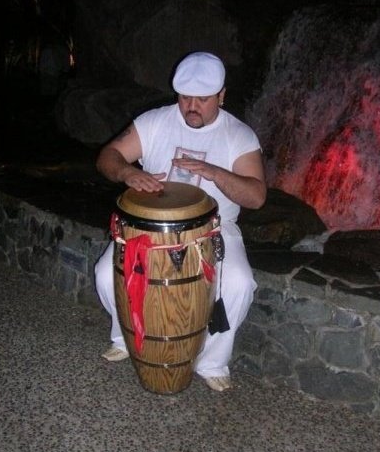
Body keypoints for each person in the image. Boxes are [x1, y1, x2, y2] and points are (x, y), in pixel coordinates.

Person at [94, 52, 266, 392]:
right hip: (150, 227)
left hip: (213, 229)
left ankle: (211, 361)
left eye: (203, 99)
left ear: (221, 95)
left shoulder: (239, 135)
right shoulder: (155, 121)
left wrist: (216, 173)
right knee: (104, 274)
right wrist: (127, 172)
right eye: (185, 97)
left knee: (239, 283)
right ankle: (127, 337)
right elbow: (108, 157)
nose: (192, 107)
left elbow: (256, 196)